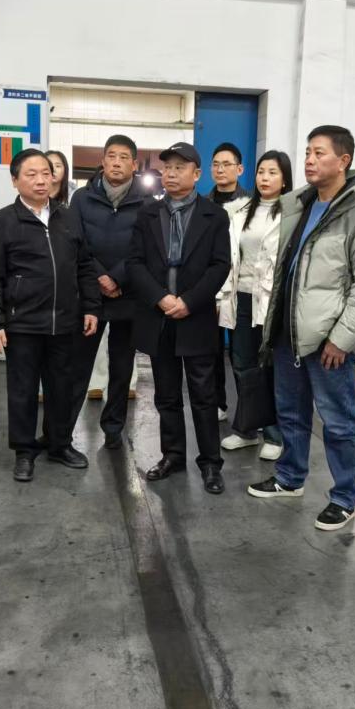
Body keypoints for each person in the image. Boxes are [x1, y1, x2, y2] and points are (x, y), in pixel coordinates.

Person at [248, 126, 355, 531]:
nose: (310, 161)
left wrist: (342, 339)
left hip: (330, 339)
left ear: (343, 161)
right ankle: (290, 477)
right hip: (289, 332)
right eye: (308, 153)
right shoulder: (301, 205)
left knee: (338, 422)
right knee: (290, 412)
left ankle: (344, 497)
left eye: (319, 153)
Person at [0, 149, 100, 482]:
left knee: (62, 388)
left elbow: (85, 266)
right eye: (31, 174)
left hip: (64, 322)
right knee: (23, 391)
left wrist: (91, 306)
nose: (41, 180)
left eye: (46, 173)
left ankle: (59, 444)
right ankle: (23, 451)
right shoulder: (2, 222)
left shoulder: (68, 218)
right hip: (22, 324)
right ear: (15, 180)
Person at [128, 142, 231, 494]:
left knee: (203, 394)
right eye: (167, 168)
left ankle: (211, 463)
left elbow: (220, 265)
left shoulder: (214, 216)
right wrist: (160, 298)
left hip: (195, 316)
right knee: (166, 394)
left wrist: (188, 301)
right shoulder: (147, 213)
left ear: (196, 174)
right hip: (158, 317)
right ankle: (172, 455)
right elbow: (134, 263)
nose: (170, 174)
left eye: (179, 168)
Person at [66, 135, 145, 449]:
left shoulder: (146, 203)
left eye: (124, 157)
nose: (116, 162)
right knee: (78, 365)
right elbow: (75, 241)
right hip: (90, 296)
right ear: (102, 161)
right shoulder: (82, 198)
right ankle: (62, 431)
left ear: (134, 165)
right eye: (111, 156)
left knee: (122, 367)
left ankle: (113, 428)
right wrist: (100, 277)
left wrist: (117, 278)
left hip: (128, 295)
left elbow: (145, 247)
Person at [217, 150, 293, 461]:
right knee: (241, 363)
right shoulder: (241, 211)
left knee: (268, 367)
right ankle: (246, 430)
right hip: (242, 297)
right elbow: (232, 257)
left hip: (272, 301)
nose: (265, 178)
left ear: (284, 179)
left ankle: (274, 434)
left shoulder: (292, 213)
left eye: (273, 172)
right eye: (261, 172)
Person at [207, 142, 249, 424]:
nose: (220, 169)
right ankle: (217, 404)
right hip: (210, 289)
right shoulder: (204, 204)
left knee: (241, 354)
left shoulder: (252, 205)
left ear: (239, 169)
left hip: (241, 289)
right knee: (210, 352)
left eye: (226, 164)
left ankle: (249, 414)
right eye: (216, 164)